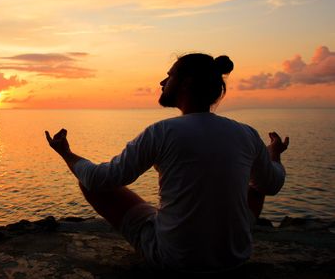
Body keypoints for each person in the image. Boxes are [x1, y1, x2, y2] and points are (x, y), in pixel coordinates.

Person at [45, 53, 289, 272]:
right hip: (233, 258)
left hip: (175, 259)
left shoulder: (162, 132)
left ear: (186, 83)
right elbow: (272, 184)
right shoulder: (245, 133)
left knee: (89, 181)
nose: (162, 83)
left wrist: (66, 153)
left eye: (169, 76)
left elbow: (100, 179)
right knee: (258, 183)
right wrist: (273, 154)